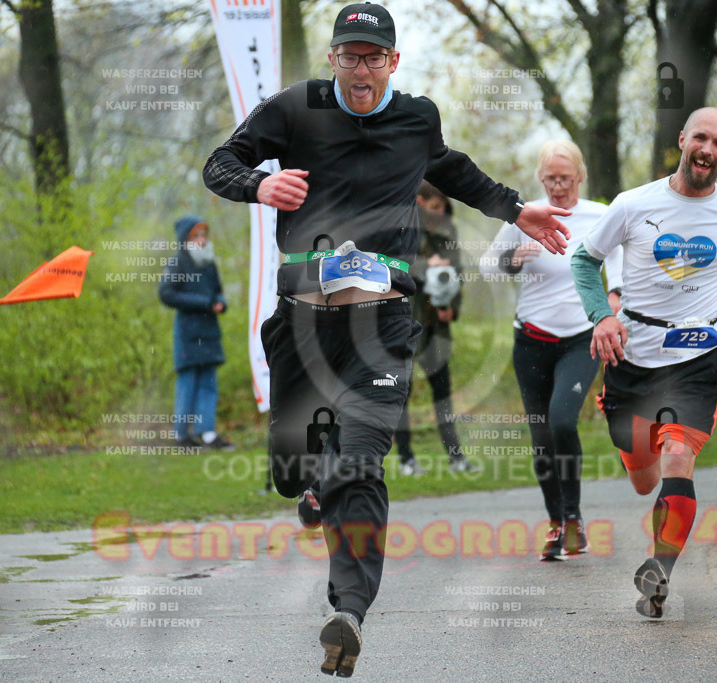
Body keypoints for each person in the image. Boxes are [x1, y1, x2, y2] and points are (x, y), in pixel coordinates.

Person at [202, 2, 570, 675]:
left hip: (382, 324)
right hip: (303, 324)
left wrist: (518, 209)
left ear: (393, 62)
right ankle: (311, 481)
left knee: (361, 462)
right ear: (333, 59)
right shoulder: (295, 108)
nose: (361, 69)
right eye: (350, 56)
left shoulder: (416, 117)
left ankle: (348, 610)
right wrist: (260, 183)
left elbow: (452, 169)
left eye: (374, 57)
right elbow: (218, 164)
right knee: (293, 472)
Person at [571, 107, 717, 618]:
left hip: (698, 356)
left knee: (679, 457)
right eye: (700, 138)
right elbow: (584, 260)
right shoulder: (633, 204)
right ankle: (642, 462)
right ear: (683, 140)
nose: (708, 150)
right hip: (633, 356)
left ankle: (659, 573)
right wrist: (602, 317)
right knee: (644, 478)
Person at [481, 140, 623, 561]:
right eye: (550, 179)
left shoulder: (599, 215)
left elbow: (619, 258)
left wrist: (615, 296)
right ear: (540, 179)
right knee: (541, 434)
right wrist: (514, 257)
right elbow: (487, 267)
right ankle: (557, 523)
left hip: (581, 338)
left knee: (562, 419)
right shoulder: (526, 215)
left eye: (565, 178)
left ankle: (574, 517)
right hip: (531, 341)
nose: (558, 186)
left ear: (580, 176)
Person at [393, 181, 476, 476]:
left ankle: (456, 458)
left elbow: (458, 272)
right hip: (405, 322)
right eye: (434, 207)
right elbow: (395, 265)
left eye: (443, 207)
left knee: (443, 393)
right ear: (419, 202)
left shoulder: (448, 229)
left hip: (437, 327)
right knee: (401, 392)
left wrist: (451, 306)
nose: (440, 212)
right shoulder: (402, 227)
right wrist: (427, 264)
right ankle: (406, 459)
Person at [158, 216, 233, 450]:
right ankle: (181, 435)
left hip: (210, 332)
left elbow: (218, 291)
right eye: (196, 236)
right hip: (188, 334)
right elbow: (166, 294)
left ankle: (207, 433)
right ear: (185, 239)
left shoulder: (209, 263)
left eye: (204, 235)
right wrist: (205, 302)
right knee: (188, 382)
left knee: (209, 382)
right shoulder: (177, 262)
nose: (202, 240)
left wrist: (220, 302)